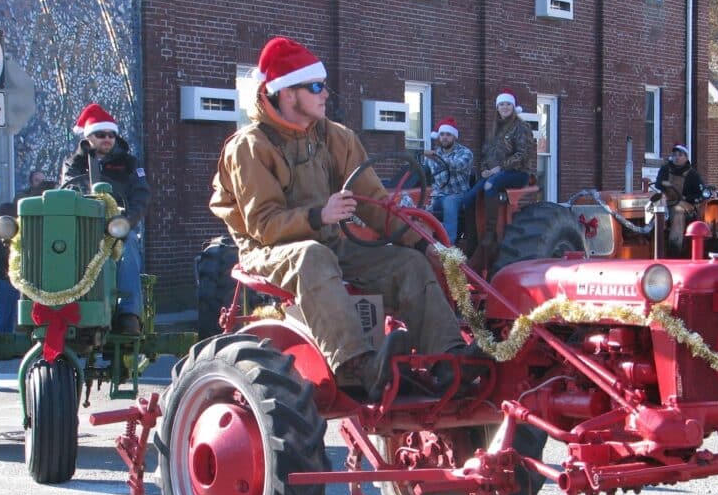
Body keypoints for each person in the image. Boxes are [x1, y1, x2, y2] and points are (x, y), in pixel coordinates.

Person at [209, 36, 478, 401]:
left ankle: (450, 362)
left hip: (331, 244)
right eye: (316, 86)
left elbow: (373, 204)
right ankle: (357, 365)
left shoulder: (336, 138)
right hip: (269, 251)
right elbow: (264, 225)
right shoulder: (250, 147)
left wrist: (422, 244)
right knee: (312, 256)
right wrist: (320, 215)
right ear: (287, 94)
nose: (325, 95)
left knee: (408, 264)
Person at [60, 103, 150, 336]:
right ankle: (60, 304)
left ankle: (128, 313)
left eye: (111, 135)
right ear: (89, 137)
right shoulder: (73, 164)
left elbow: (141, 195)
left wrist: (126, 221)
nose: (107, 139)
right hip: (83, 227)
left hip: (116, 227)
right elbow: (66, 192)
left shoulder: (129, 164)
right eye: (101, 135)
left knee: (127, 243)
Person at [459, 89, 535, 269]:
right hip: (495, 173)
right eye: (501, 104)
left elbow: (523, 154)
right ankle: (472, 242)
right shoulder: (495, 129)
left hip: (517, 172)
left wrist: (500, 168)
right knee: (468, 198)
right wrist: (485, 169)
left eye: (508, 104)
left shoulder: (521, 127)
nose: (505, 107)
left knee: (491, 185)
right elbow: (486, 155)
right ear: (498, 108)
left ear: (513, 107)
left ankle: (490, 233)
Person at [423, 117, 473, 243]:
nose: (445, 137)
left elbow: (457, 166)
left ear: (454, 136)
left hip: (458, 194)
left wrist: (436, 157)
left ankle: (449, 245)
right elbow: (427, 173)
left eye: (448, 134)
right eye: (442, 134)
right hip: (439, 194)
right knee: (421, 208)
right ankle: (426, 241)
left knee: (449, 203)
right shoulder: (435, 154)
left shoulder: (465, 153)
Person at [652, 144, 706, 257]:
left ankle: (674, 249)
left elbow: (700, 194)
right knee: (653, 207)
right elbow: (658, 184)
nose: (676, 157)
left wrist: (685, 198)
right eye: (674, 155)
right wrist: (663, 184)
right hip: (666, 200)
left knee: (678, 212)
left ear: (686, 157)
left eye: (680, 155)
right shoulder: (665, 169)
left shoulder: (692, 174)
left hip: (685, 204)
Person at [0, 202, 18, 333]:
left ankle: (6, 336)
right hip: (7, 276)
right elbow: (6, 256)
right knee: (6, 309)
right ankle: (0, 337)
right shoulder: (4, 237)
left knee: (9, 310)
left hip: (4, 275)